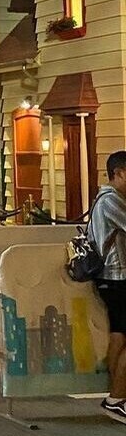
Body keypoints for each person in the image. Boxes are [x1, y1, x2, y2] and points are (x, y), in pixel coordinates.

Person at [90, 151, 126, 422]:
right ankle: (116, 397)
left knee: (119, 335)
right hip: (117, 277)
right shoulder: (111, 201)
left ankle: (116, 394)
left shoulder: (109, 199)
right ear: (119, 173)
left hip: (115, 278)